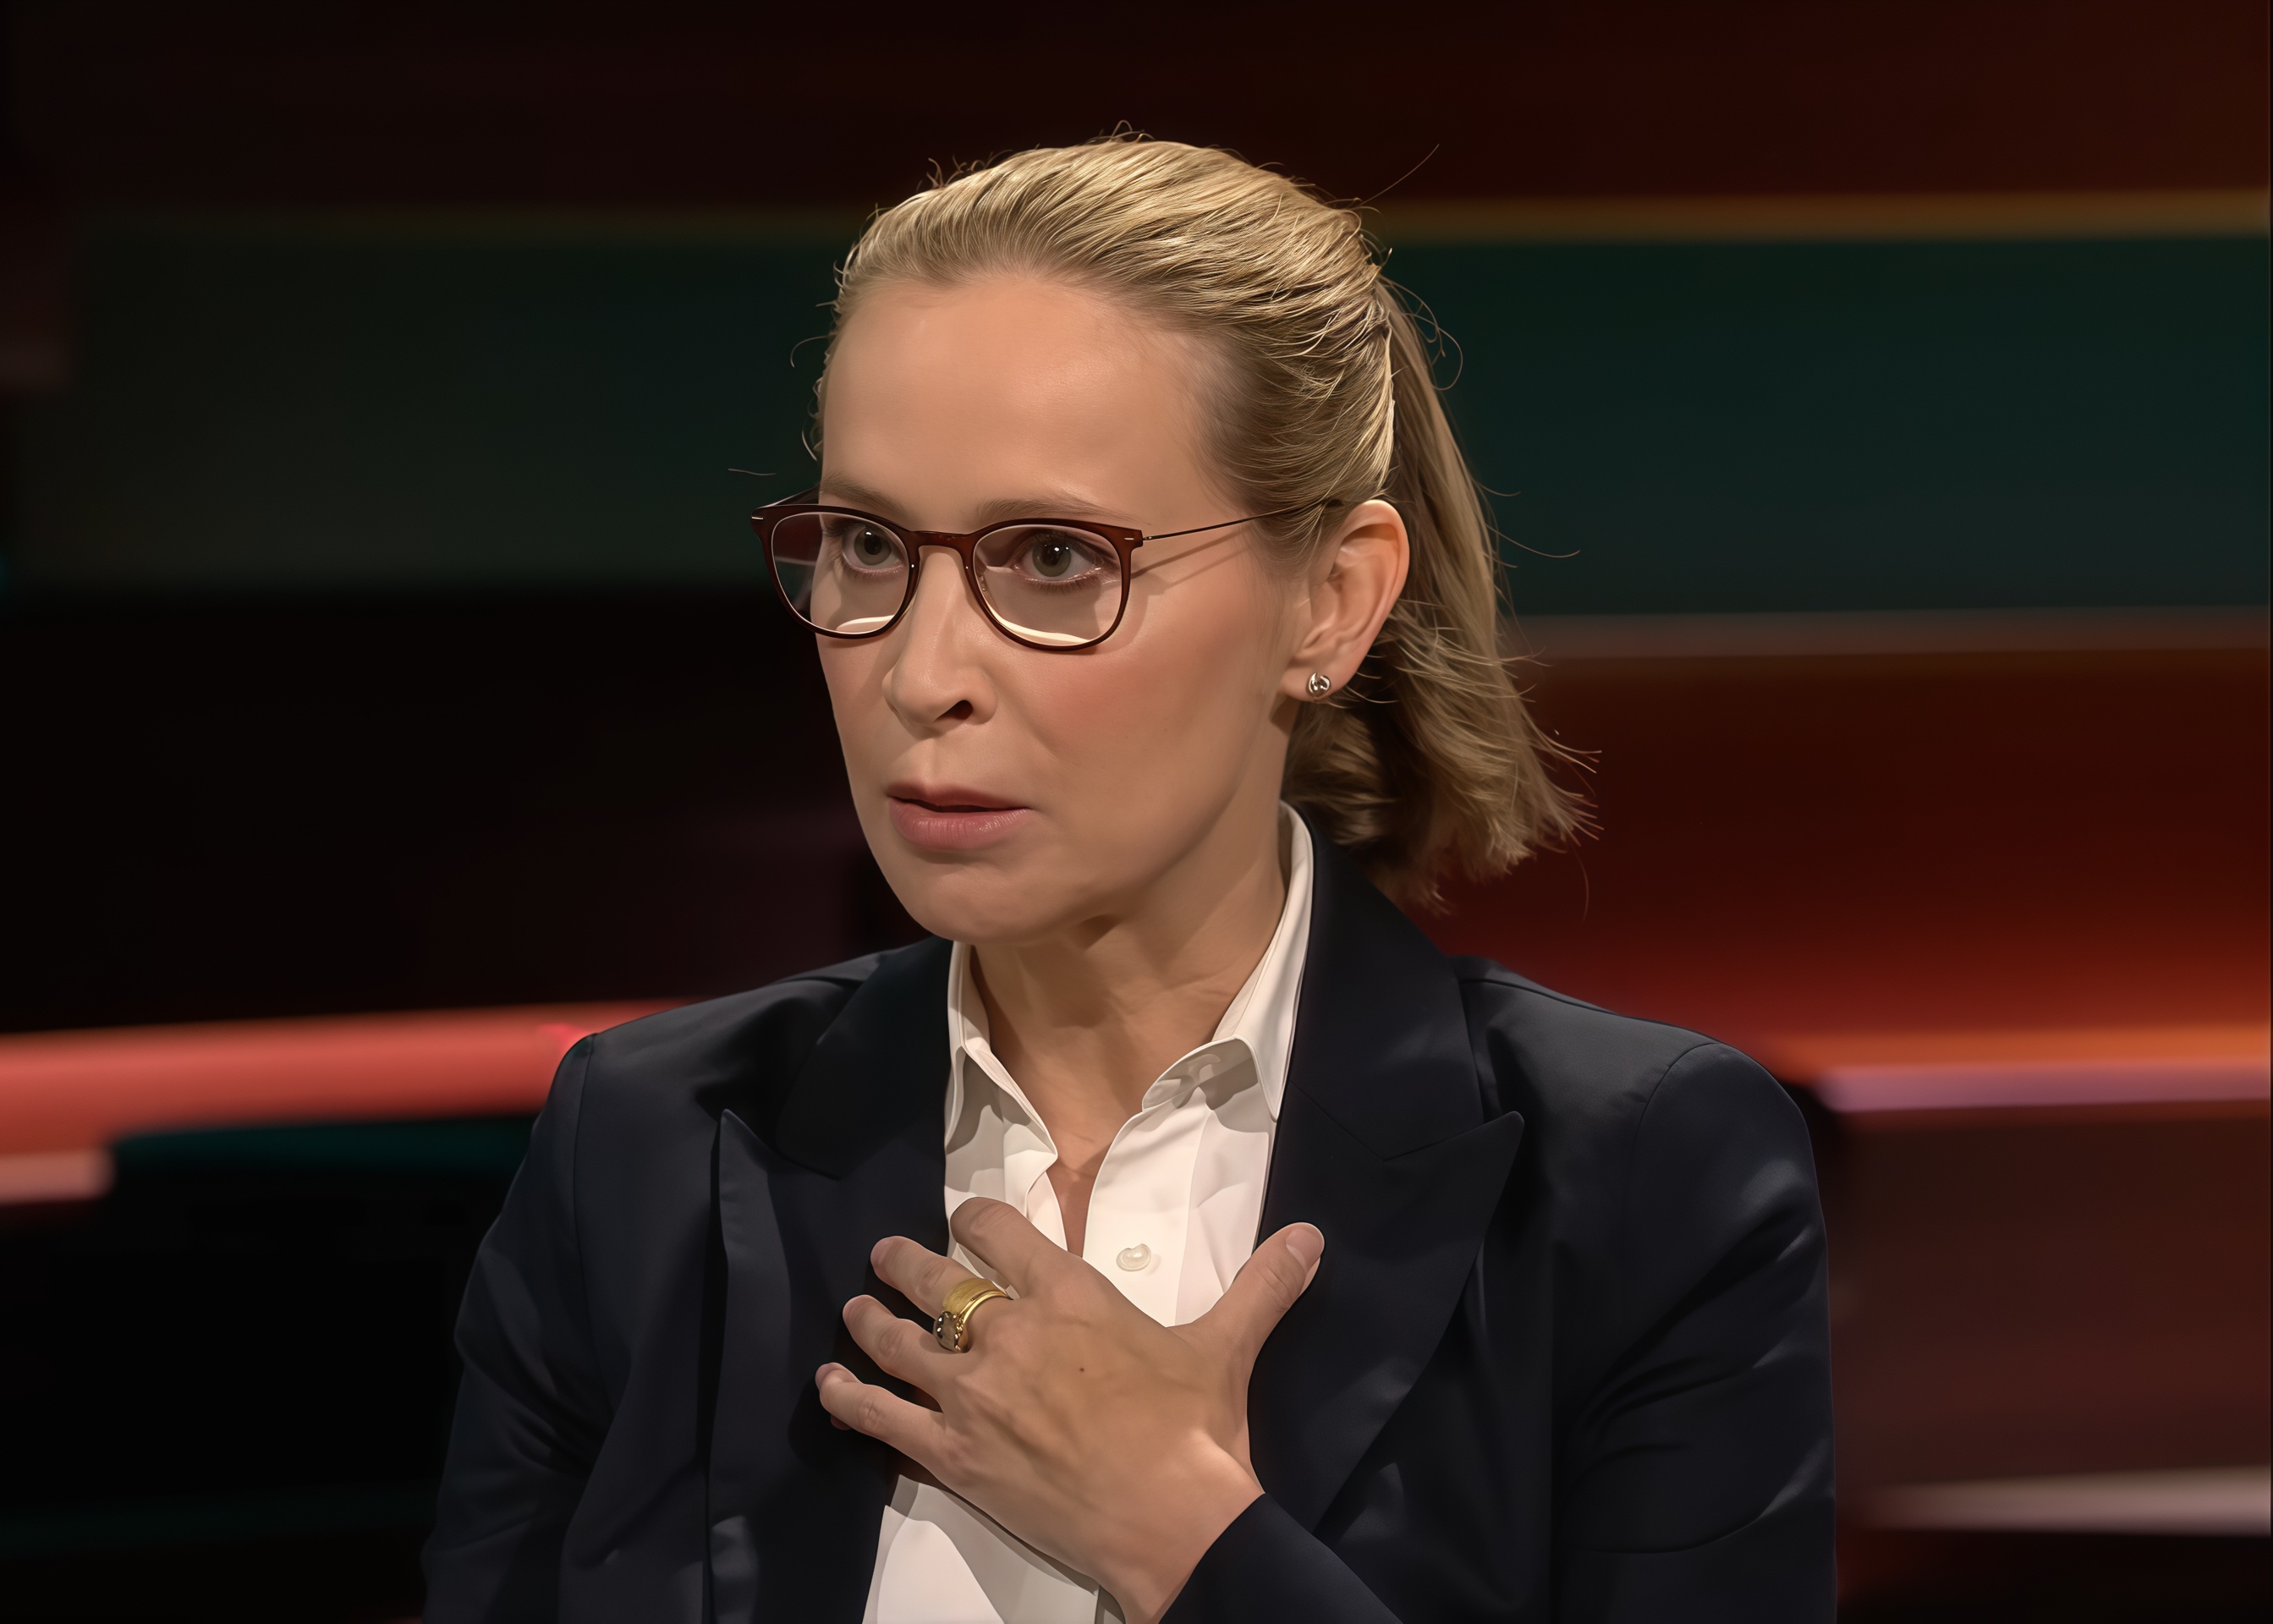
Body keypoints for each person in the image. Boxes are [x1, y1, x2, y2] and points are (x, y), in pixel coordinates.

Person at [424, 138, 1833, 1623]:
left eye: (1050, 557)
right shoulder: (643, 1145)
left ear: (1330, 599)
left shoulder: (1635, 1176)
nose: (920, 671)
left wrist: (1182, 1532)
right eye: (866, 546)